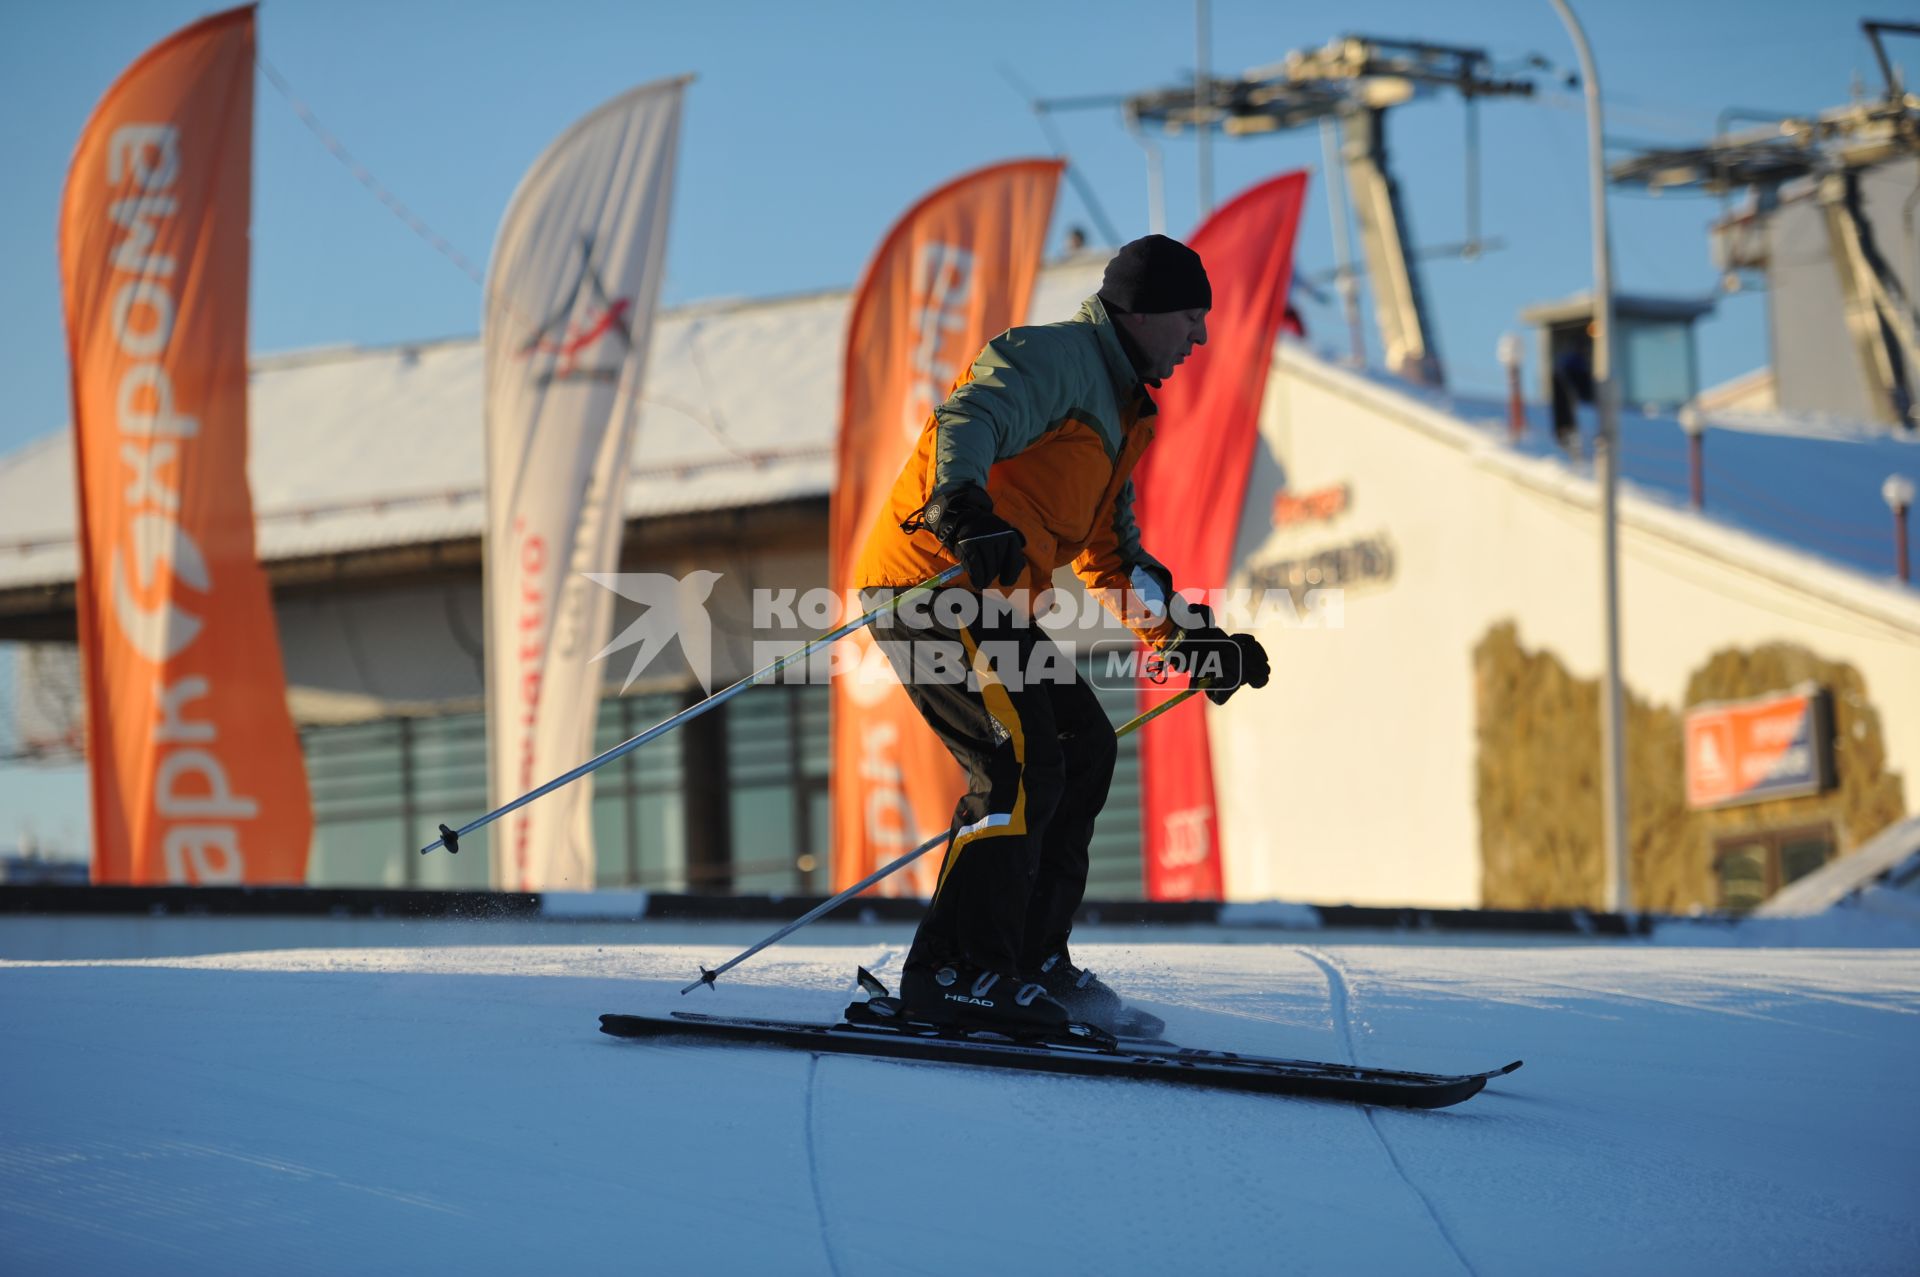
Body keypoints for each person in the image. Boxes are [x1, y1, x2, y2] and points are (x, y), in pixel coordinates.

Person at [852, 234, 1271, 1034]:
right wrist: (962, 505)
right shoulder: (1057, 359)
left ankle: (1029, 959)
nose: (1200, 338)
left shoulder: (1122, 411)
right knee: (1016, 760)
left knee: (1085, 746)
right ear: (1143, 312)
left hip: (988, 604)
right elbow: (968, 416)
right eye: (1191, 316)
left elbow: (1111, 557)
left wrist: (1189, 637)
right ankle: (954, 970)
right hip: (930, 580)